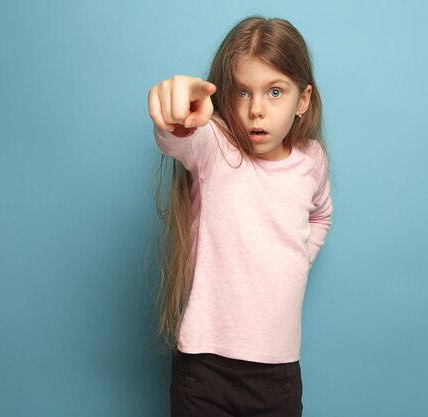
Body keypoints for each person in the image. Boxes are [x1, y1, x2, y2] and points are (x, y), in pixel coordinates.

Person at [147, 15, 333, 417]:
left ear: (303, 100)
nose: (257, 111)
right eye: (243, 93)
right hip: (204, 369)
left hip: (277, 374)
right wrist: (174, 107)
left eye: (275, 92)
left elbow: (321, 216)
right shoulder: (214, 145)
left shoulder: (311, 162)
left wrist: (298, 258)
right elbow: (177, 136)